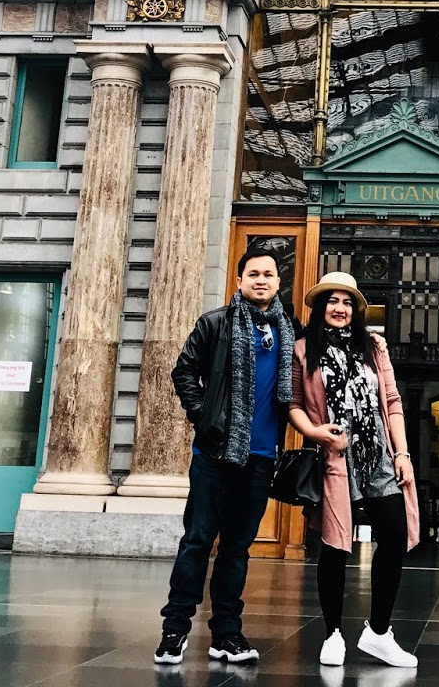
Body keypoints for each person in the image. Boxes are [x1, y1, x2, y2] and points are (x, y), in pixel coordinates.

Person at [154, 247, 294, 667]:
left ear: (277, 282)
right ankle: (174, 631)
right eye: (253, 273)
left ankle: (226, 635)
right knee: (197, 542)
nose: (261, 280)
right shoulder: (215, 323)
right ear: (239, 280)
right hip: (214, 454)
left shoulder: (289, 330)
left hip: (261, 457)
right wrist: (205, 417)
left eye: (268, 274)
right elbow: (184, 371)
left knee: (237, 548)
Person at [288, 271, 421, 669]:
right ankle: (332, 633)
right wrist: (316, 432)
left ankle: (379, 633)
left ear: (356, 310)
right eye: (332, 301)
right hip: (335, 459)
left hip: (377, 457)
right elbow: (293, 403)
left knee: (395, 534)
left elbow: (393, 402)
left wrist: (403, 454)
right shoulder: (301, 350)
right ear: (320, 307)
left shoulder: (374, 347)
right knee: (334, 547)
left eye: (347, 303)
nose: (339, 309)